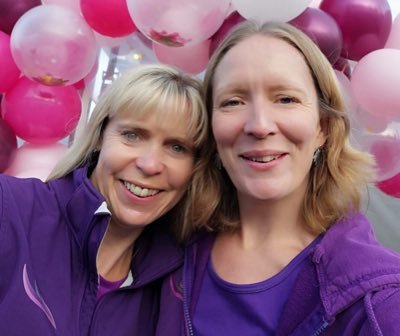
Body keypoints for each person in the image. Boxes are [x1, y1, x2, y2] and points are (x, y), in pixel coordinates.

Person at [165, 21, 400, 335]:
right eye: (233, 101)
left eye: (286, 99)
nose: (259, 125)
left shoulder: (378, 304)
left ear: (323, 128)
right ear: (210, 129)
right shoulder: (168, 246)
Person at [0, 64, 216, 335]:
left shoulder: (181, 285)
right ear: (101, 136)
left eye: (177, 147)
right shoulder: (9, 208)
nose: (150, 165)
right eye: (132, 135)